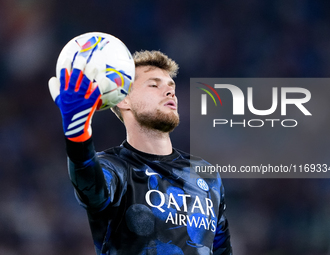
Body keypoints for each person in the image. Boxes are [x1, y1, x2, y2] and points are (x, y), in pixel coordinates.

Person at [49, 48, 232, 255]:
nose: (170, 91)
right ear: (123, 100)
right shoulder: (115, 167)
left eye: (171, 86)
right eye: (154, 84)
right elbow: (91, 189)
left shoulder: (206, 174)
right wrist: (78, 136)